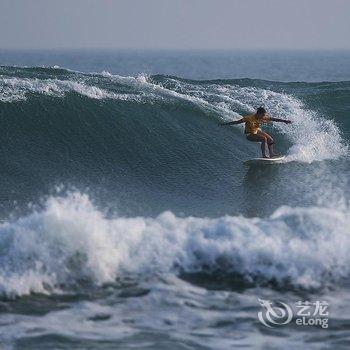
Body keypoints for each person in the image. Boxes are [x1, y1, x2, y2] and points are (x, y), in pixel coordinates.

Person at [220, 107, 292, 158]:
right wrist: (225, 124)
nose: (264, 117)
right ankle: (264, 155)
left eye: (264, 115)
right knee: (264, 139)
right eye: (262, 115)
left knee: (270, 140)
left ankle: (271, 154)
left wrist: (284, 121)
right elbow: (237, 122)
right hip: (249, 134)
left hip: (257, 131)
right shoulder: (248, 118)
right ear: (258, 114)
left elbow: (273, 119)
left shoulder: (263, 117)